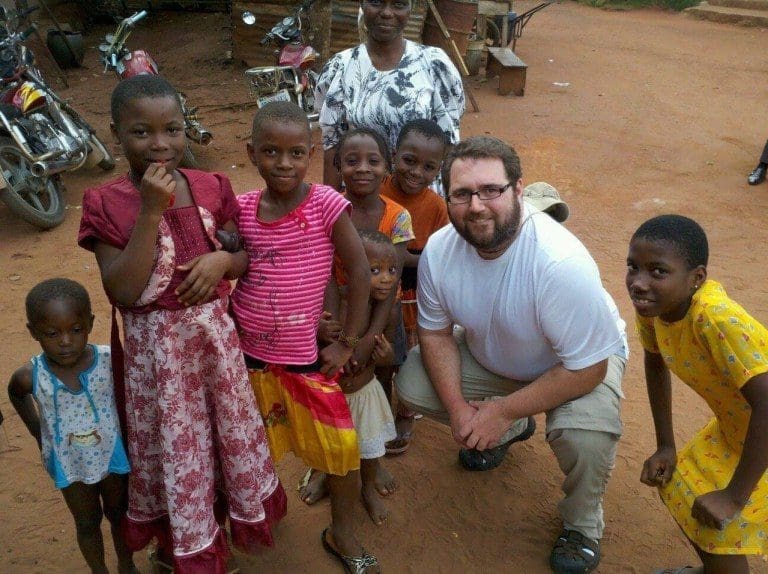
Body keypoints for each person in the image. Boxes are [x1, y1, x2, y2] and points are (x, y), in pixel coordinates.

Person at [78, 75, 285, 573]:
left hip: (216, 349)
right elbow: (123, 290)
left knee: (222, 439)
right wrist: (151, 210)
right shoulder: (106, 202)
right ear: (116, 134)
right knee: (174, 449)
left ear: (185, 127)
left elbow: (243, 257)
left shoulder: (214, 186)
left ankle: (218, 532)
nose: (159, 144)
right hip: (160, 365)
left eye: (172, 129)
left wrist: (221, 264)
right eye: (141, 132)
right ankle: (181, 546)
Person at [395, 136, 627, 574]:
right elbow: (437, 335)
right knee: (413, 384)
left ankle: (582, 524)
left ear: (518, 190)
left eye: (491, 190)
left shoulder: (558, 262)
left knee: (585, 436)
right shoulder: (440, 252)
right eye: (462, 194)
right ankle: (510, 425)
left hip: (575, 365)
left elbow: (589, 367)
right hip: (495, 358)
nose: (476, 206)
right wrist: (460, 410)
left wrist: (499, 410)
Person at [231, 101, 379, 573]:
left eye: (297, 153)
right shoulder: (243, 209)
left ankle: (343, 532)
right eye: (271, 151)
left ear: (313, 154)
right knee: (251, 448)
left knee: (339, 452)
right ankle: (256, 517)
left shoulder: (326, 205)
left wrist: (347, 341)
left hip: (305, 360)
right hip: (249, 358)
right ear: (251, 153)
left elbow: (357, 271)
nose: (284, 163)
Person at [627, 215, 768, 574]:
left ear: (697, 278)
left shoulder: (716, 320)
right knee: (680, 487)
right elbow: (655, 361)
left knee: (722, 527)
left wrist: (735, 496)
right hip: (737, 428)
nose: (639, 283)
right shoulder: (655, 307)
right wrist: (665, 445)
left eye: (658, 271)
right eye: (633, 267)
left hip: (761, 435)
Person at [7, 278, 135, 574]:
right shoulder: (32, 375)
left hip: (113, 458)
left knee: (119, 514)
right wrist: (39, 433)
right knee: (87, 522)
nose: (66, 341)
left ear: (89, 323)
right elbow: (16, 393)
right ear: (34, 333)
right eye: (52, 333)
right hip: (69, 464)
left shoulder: (108, 360)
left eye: (76, 330)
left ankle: (127, 566)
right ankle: (98, 571)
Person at [315, 0, 465, 190]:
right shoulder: (341, 67)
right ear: (362, 4)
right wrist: (331, 208)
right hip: (361, 198)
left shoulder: (434, 64)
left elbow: (449, 141)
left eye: (398, 4)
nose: (386, 12)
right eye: (376, 2)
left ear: (412, 9)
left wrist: (445, 207)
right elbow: (333, 146)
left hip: (421, 198)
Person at [320, 230, 400, 525]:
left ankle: (368, 488)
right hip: (332, 398)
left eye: (391, 270)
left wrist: (386, 355)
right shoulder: (334, 303)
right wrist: (319, 331)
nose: (386, 279)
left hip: (365, 395)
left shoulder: (387, 313)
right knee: (330, 448)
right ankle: (325, 479)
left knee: (368, 451)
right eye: (375, 270)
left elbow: (388, 363)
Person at [380, 118, 450, 454]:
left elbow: (442, 255)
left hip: (414, 294)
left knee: (410, 354)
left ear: (438, 170)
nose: (416, 173)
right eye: (409, 161)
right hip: (379, 291)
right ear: (394, 154)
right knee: (383, 354)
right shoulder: (374, 190)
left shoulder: (437, 206)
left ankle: (405, 409)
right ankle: (378, 411)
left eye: (428, 167)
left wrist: (405, 259)